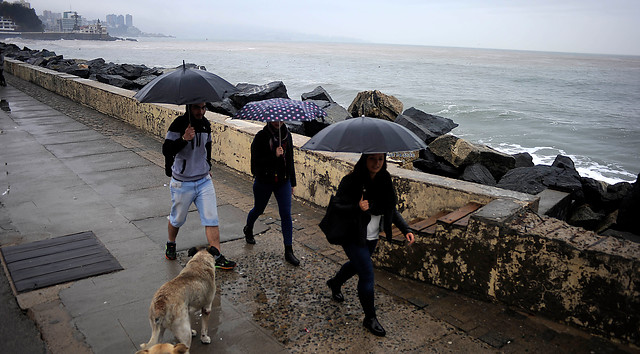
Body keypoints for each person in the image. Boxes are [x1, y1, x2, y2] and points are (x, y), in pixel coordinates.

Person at [325, 153, 415, 337]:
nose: (377, 163)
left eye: (380, 159)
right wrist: (356, 207)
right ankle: (370, 317)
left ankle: (335, 283)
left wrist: (405, 229)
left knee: (356, 265)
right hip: (353, 235)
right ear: (364, 160)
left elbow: (390, 208)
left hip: (372, 236)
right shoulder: (351, 181)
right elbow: (336, 206)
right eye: (372, 159)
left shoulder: (384, 180)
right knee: (367, 273)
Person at [162, 102, 236, 270]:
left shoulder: (205, 124)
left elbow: (208, 146)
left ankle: (216, 255)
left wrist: (208, 166)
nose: (201, 111)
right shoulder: (178, 124)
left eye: (204, 108)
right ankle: (171, 244)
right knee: (177, 219)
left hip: (203, 181)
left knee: (211, 218)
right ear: (189, 107)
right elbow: (166, 150)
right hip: (182, 182)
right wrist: (184, 139)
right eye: (197, 107)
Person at [243, 121, 300, 266]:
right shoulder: (261, 137)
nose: (278, 122)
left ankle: (289, 250)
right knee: (259, 209)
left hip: (283, 181)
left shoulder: (287, 136)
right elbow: (255, 166)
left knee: (286, 214)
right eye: (275, 119)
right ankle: (248, 228)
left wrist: (292, 182)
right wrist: (274, 155)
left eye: (281, 119)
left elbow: (290, 160)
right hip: (264, 181)